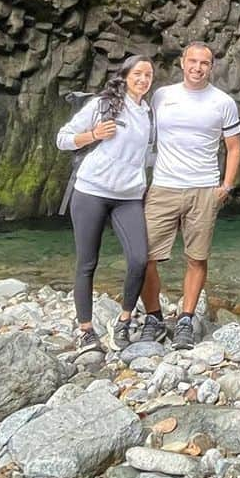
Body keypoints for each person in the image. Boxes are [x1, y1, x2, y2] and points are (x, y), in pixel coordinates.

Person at [137, 41, 240, 350]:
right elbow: (140, 129)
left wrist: (225, 186)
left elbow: (233, 147)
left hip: (203, 189)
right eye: (193, 61)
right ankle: (154, 317)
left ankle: (185, 319)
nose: (198, 67)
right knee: (145, 258)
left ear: (212, 67)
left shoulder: (223, 102)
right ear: (182, 62)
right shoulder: (161, 96)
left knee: (197, 257)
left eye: (204, 63)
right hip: (164, 187)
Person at [55, 54, 155, 352]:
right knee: (87, 263)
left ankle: (123, 321)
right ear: (125, 76)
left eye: (148, 75)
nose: (143, 79)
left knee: (139, 259)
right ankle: (86, 330)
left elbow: (147, 155)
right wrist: (93, 134)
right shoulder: (102, 104)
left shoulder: (149, 113)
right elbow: (62, 138)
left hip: (129, 196)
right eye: (138, 73)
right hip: (91, 190)